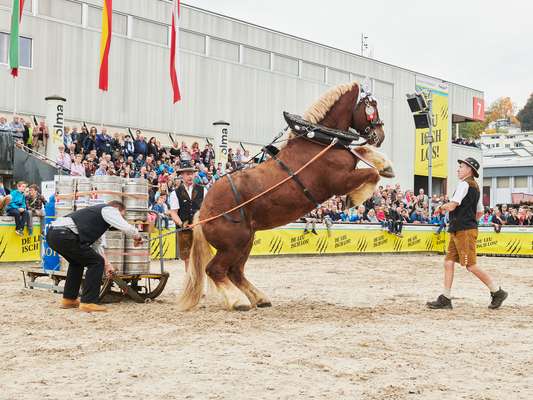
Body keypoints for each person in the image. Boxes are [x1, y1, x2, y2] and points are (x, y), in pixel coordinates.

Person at [427, 158, 508, 310]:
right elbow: (479, 212)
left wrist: (440, 208)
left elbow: (452, 205)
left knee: (471, 265)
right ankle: (445, 297)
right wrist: (470, 222)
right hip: (462, 228)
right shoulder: (476, 187)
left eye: (461, 167)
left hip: (462, 230)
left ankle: (497, 291)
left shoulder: (464, 184)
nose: (458, 169)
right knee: (448, 262)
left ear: (469, 169)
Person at [46, 201, 143, 312]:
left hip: (54, 235)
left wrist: (107, 265)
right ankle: (88, 302)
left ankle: (69, 299)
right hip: (64, 234)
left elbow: (97, 246)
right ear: (117, 210)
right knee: (96, 262)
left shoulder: (96, 220)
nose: (119, 218)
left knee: (77, 263)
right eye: (121, 215)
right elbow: (126, 227)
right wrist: (138, 237)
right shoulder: (109, 210)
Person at [169, 163, 207, 270]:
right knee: (187, 258)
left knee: (200, 257)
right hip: (184, 231)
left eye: (192, 174)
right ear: (182, 176)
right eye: (187, 174)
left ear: (195, 175)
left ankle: (199, 281)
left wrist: (201, 222)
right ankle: (190, 281)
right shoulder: (175, 193)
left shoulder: (203, 190)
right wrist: (181, 224)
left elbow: (206, 209)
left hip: (199, 229)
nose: (190, 176)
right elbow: (174, 213)